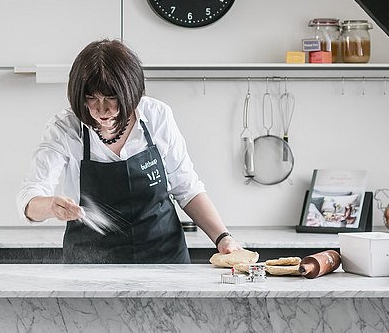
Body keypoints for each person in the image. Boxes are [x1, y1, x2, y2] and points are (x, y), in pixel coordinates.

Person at [17, 39, 242, 263]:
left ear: (130, 91)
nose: (102, 109)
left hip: (164, 260)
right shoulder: (65, 128)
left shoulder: (157, 116)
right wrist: (50, 207)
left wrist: (222, 237)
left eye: (111, 97)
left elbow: (187, 188)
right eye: (91, 97)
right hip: (90, 267)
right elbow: (30, 196)